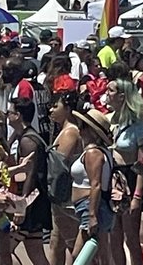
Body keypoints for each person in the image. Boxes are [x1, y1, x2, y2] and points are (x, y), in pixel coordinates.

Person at [106, 77, 143, 265]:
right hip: (111, 178)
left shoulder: (139, 125)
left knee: (131, 236)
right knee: (113, 235)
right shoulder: (111, 120)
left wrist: (137, 196)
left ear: (122, 96)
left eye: (111, 90)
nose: (106, 94)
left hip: (130, 178)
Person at [8, 96, 51, 265]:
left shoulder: (28, 140)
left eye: (9, 112)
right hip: (34, 204)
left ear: (17, 115)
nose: (7, 115)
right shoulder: (25, 136)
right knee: (36, 252)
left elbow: (30, 175)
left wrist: (21, 207)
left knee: (4, 250)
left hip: (30, 205)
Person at [70, 107, 115, 265]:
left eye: (83, 126)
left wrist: (92, 215)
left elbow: (95, 184)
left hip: (92, 205)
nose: (80, 130)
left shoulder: (93, 153)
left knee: (80, 256)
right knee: (98, 255)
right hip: (93, 206)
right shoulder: (101, 152)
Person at [48, 89, 82, 265]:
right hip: (61, 197)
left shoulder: (70, 132)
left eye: (55, 106)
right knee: (56, 243)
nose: (51, 110)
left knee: (72, 245)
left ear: (67, 108)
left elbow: (58, 167)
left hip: (66, 197)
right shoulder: (64, 130)